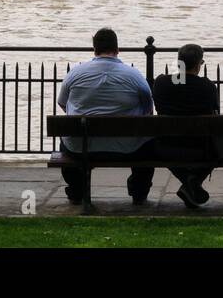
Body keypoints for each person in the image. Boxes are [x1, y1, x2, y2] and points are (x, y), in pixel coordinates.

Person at [56, 27, 155, 206]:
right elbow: (148, 110)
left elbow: (62, 104)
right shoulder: (134, 75)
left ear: (94, 49)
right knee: (148, 143)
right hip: (127, 148)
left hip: (82, 147)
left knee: (66, 138)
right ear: (117, 49)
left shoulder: (75, 73)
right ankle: (139, 192)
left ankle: (77, 190)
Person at [151, 43, 220, 209]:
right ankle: (193, 182)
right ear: (198, 65)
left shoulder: (161, 83)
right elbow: (215, 115)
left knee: (149, 144)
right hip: (201, 147)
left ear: (179, 62)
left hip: (165, 145)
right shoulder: (208, 87)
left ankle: (189, 182)